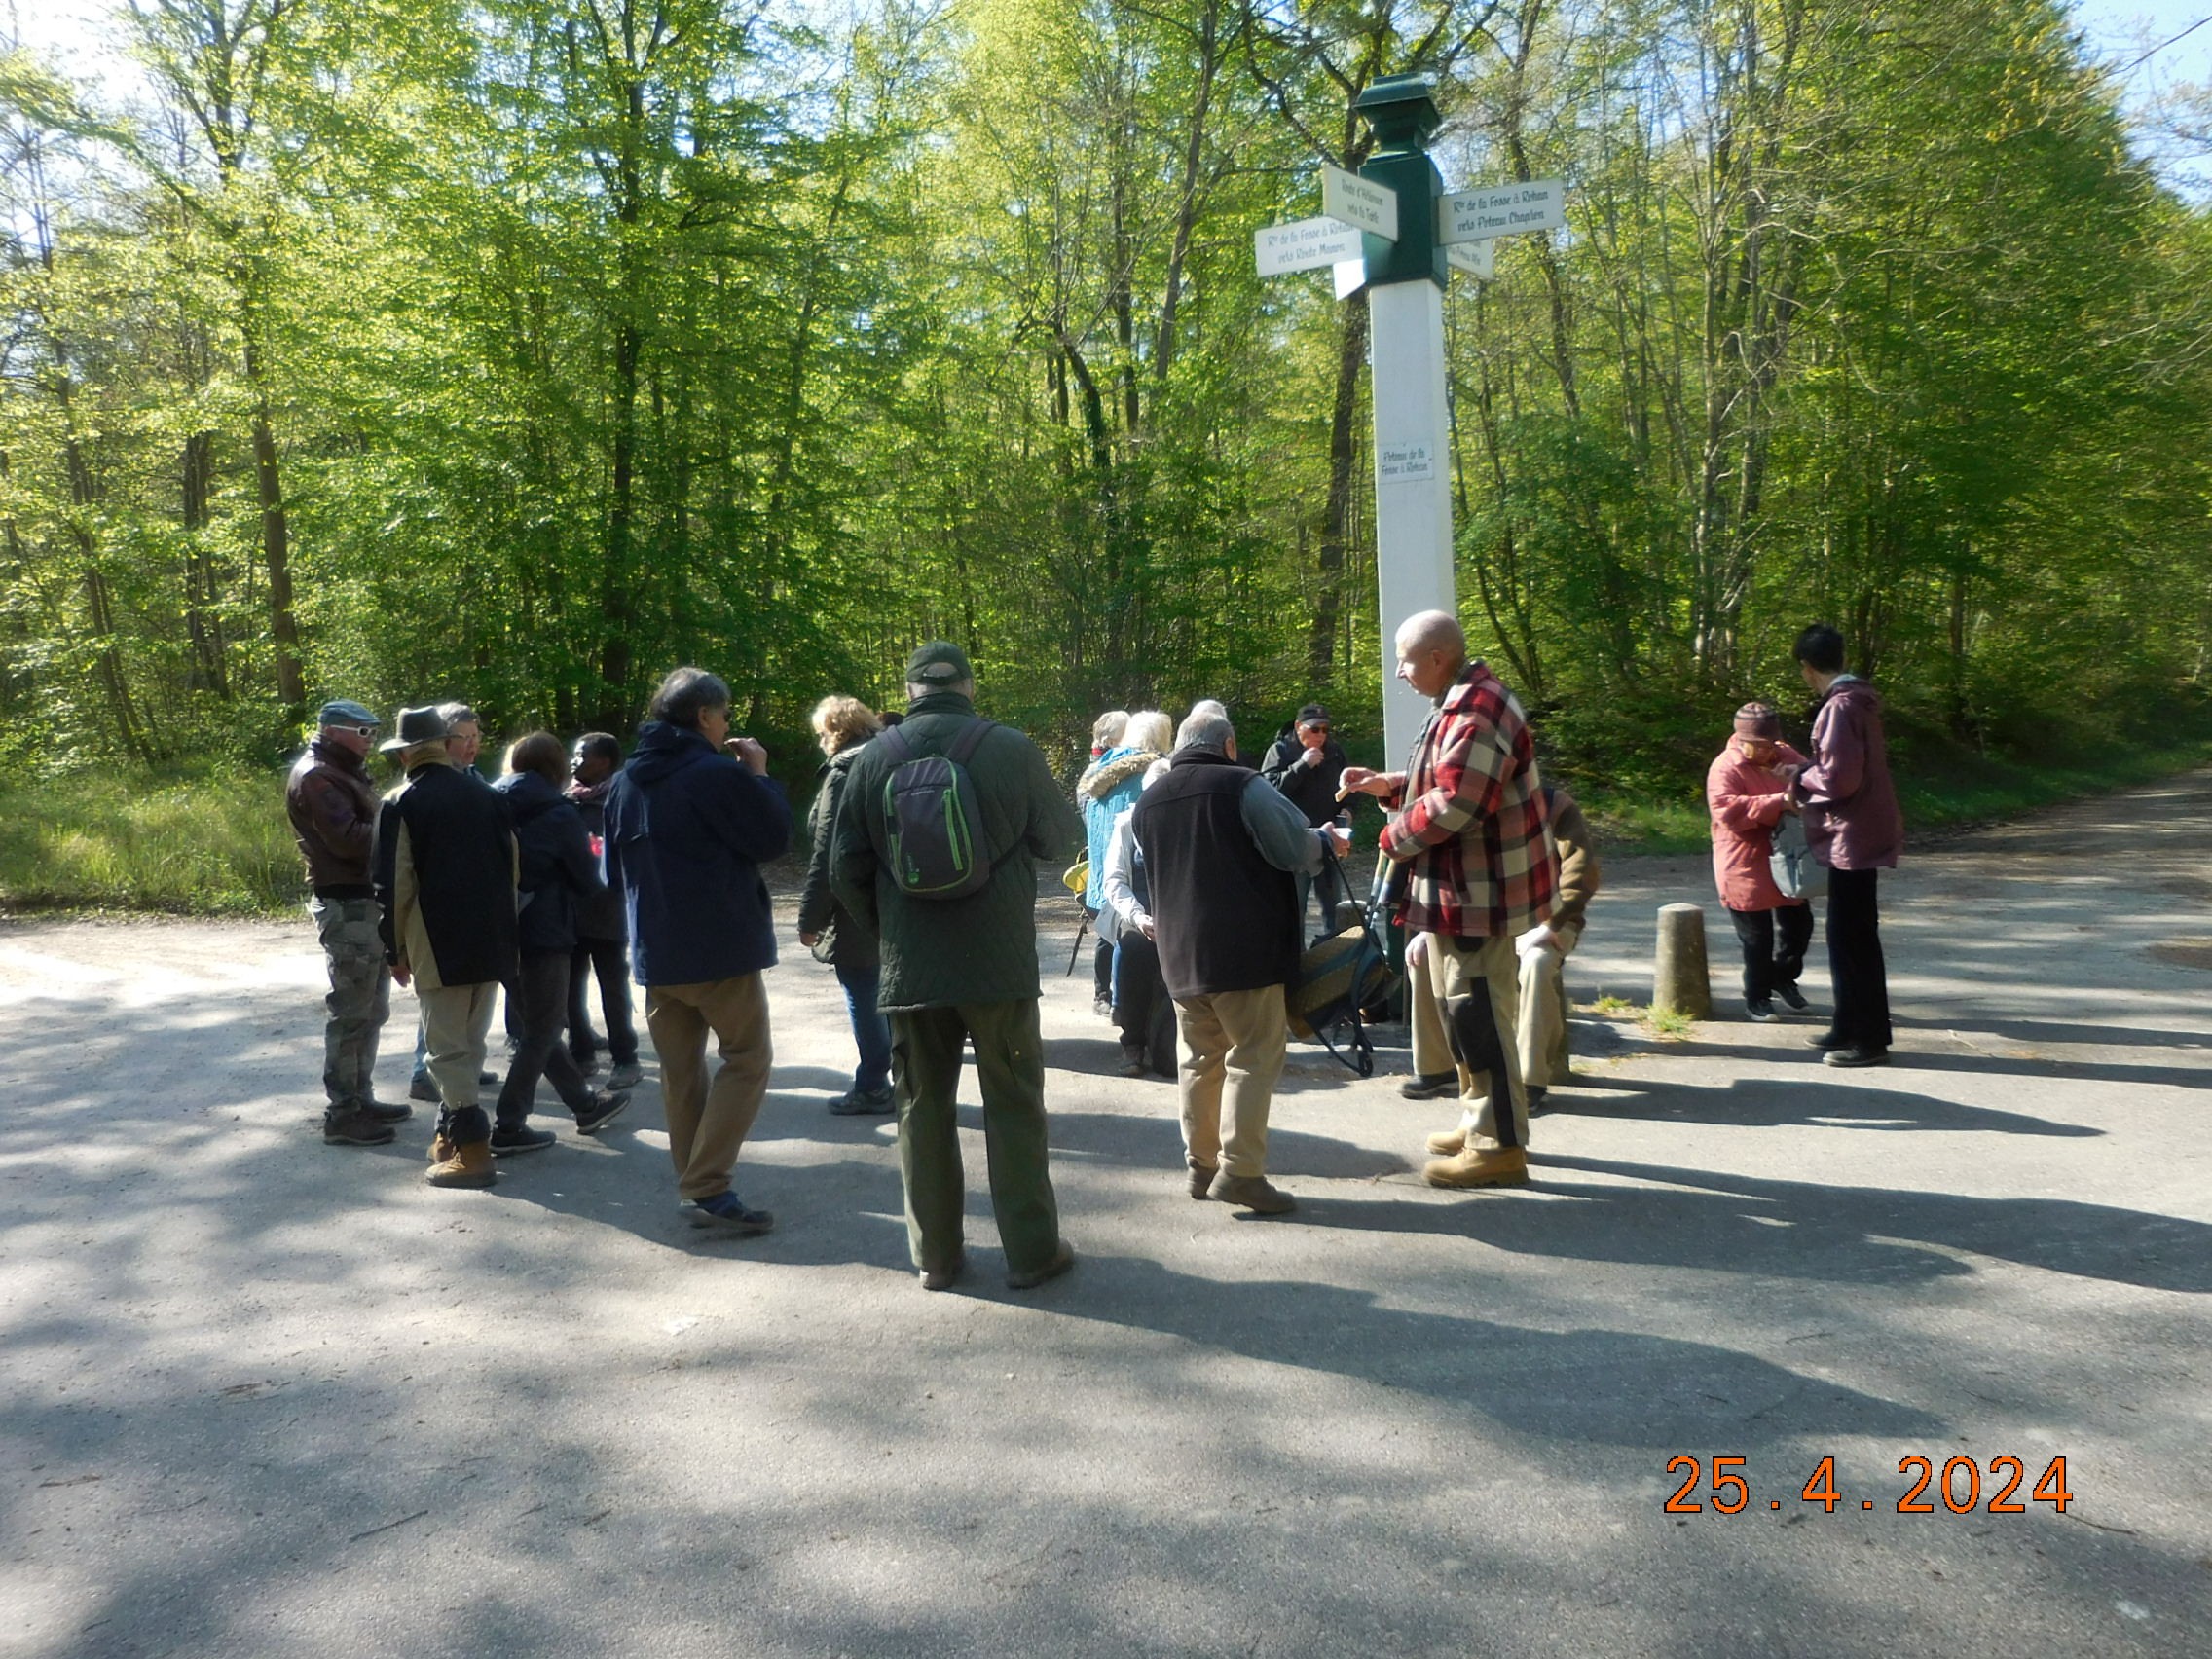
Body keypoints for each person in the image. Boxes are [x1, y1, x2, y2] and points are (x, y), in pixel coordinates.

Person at [832, 642, 1084, 1293]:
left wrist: (892, 931)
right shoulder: (1011, 748)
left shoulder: (871, 759)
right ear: (968, 686)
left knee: (921, 1108)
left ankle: (935, 1258)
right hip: (998, 968)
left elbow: (844, 871)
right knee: (1014, 1104)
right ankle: (1032, 1253)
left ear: (909, 689)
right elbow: (1058, 840)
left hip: (911, 971)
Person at [1342, 611, 1556, 1190]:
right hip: (1456, 894)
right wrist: (1388, 787)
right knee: (1460, 1014)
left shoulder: (1479, 709)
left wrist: (1390, 835)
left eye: (1406, 660)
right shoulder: (1460, 701)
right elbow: (1443, 782)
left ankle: (1498, 1146)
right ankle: (1478, 1117)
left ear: (1437, 657)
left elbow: (1459, 802)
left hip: (1477, 896)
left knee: (1478, 1016)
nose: (1399, 672)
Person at [1133, 710, 1347, 1214]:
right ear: (1228, 745)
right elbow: (1293, 847)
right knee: (1252, 1058)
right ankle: (1243, 1173)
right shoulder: (1243, 785)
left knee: (1199, 1061)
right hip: (1244, 951)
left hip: (1179, 956)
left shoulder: (1148, 801)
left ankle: (1201, 1165)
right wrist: (1322, 842)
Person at [604, 667, 793, 1234]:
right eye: (726, 714)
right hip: (721, 952)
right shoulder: (715, 773)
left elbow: (611, 874)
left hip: (657, 954)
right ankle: (706, 1186)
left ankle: (698, 1186)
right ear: (705, 716)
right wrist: (758, 775)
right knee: (747, 1059)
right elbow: (773, 839)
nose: (728, 724)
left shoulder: (625, 780)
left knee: (680, 1074)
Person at [373, 705, 521, 1189]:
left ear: (406, 754)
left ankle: (474, 1151)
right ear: (443, 743)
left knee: (444, 1051)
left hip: (438, 940)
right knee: (471, 1044)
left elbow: (395, 883)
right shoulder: (488, 795)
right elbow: (513, 870)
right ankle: (450, 1137)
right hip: (493, 937)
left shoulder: (402, 801)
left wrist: (394, 948)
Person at [490, 733, 632, 1152]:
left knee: (538, 1024)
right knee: (545, 1027)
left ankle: (585, 1105)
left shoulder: (488, 802)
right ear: (553, 767)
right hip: (544, 930)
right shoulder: (559, 812)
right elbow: (588, 880)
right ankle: (509, 1124)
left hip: (497, 929)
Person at [285, 698, 405, 1147]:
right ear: (335, 731)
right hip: (347, 904)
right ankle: (343, 1112)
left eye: (373, 733)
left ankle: (361, 1097)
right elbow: (350, 840)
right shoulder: (319, 776)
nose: (370, 743)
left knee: (371, 1010)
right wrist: (400, 826)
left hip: (362, 902)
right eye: (364, 733)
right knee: (352, 1012)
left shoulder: (341, 770)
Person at [1787, 624, 1903, 1067]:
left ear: (1807, 668)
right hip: (1861, 830)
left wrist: (1798, 779)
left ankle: (1869, 1040)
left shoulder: (1840, 707)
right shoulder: (1861, 700)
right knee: (1846, 935)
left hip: (1852, 835)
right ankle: (1847, 1024)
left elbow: (1839, 777)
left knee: (1852, 938)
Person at [797, 695, 895, 1115]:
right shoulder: (894, 756)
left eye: (821, 733)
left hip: (857, 901)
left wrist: (810, 917)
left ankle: (874, 1084)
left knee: (863, 990)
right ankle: (906, 1077)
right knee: (891, 993)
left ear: (835, 731)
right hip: (900, 895)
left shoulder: (844, 770)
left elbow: (828, 854)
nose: (820, 741)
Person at [408, 702, 500, 1103]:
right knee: (440, 1009)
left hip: (475, 918)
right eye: (464, 738)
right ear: (443, 742)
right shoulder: (419, 791)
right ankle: (423, 1075)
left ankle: (461, 1075)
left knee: (465, 1016)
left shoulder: (478, 783)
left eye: (476, 738)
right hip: (435, 921)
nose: (472, 746)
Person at [1707, 703, 1814, 1022]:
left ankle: (1783, 976)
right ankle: (1757, 996)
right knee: (1757, 938)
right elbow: (1727, 811)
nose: (1769, 752)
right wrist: (1779, 802)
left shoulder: (1785, 755)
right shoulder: (1725, 767)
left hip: (1788, 855)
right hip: (1743, 860)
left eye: (1773, 744)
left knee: (1799, 927)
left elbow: (1813, 782)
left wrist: (1801, 785)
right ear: (1741, 741)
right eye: (1761, 746)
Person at [1510, 784, 1601, 1114]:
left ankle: (1529, 1081)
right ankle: (1440, 1070)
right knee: (1425, 958)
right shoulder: (1471, 803)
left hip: (1552, 921)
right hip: (1491, 922)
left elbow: (1581, 871)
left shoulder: (1552, 804)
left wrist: (1551, 923)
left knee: (1536, 962)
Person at [1078, 710, 1172, 1016]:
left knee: (1108, 933)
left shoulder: (1100, 767)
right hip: (1135, 874)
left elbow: (1085, 810)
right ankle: (1133, 1010)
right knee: (1133, 939)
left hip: (1102, 870)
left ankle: (1103, 995)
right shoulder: (1154, 770)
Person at [565, 732, 642, 1090]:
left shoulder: (623, 796)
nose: (574, 762)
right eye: (574, 755)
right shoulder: (565, 801)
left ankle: (625, 1058)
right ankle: (580, 1054)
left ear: (606, 762)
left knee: (613, 987)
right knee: (569, 987)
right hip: (571, 910)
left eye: (583, 756)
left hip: (609, 910)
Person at [1100, 757, 1174, 1078]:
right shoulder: (1126, 824)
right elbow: (1114, 882)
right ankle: (1132, 1042)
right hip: (1137, 913)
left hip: (1178, 914)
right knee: (1132, 950)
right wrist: (1140, 917)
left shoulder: (1186, 820)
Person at [1261, 702, 1351, 943]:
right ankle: (1297, 963)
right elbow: (1268, 793)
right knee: (1294, 909)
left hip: (1329, 840)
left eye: (1324, 729)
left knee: (1334, 908)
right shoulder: (1280, 751)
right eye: (1315, 729)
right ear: (1299, 727)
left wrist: (1348, 808)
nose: (1321, 735)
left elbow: (1348, 789)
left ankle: (1333, 959)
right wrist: (1302, 766)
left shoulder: (1334, 751)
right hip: (1295, 842)